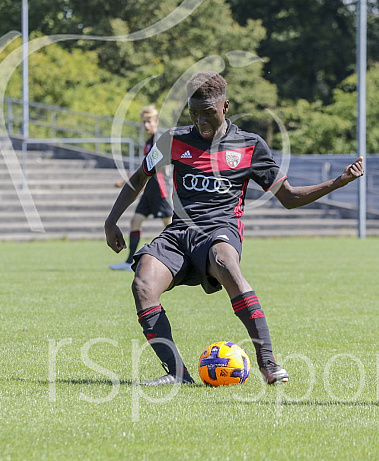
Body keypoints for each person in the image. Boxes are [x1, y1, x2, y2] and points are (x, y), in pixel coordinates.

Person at [104, 71, 364, 386]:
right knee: (143, 283)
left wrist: (340, 181)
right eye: (194, 113)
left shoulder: (250, 146)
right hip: (179, 233)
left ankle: (268, 363)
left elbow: (290, 198)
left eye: (208, 113)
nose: (201, 121)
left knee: (226, 262)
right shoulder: (171, 140)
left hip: (220, 230)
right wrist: (112, 218)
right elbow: (139, 177)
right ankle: (176, 373)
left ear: (225, 107)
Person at [109, 105, 173, 270]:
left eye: (149, 121)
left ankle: (183, 258)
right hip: (148, 189)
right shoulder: (147, 142)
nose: (146, 125)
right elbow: (144, 168)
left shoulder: (159, 140)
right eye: (144, 122)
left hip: (160, 189)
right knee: (135, 222)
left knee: (171, 226)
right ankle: (129, 261)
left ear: (156, 122)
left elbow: (159, 166)